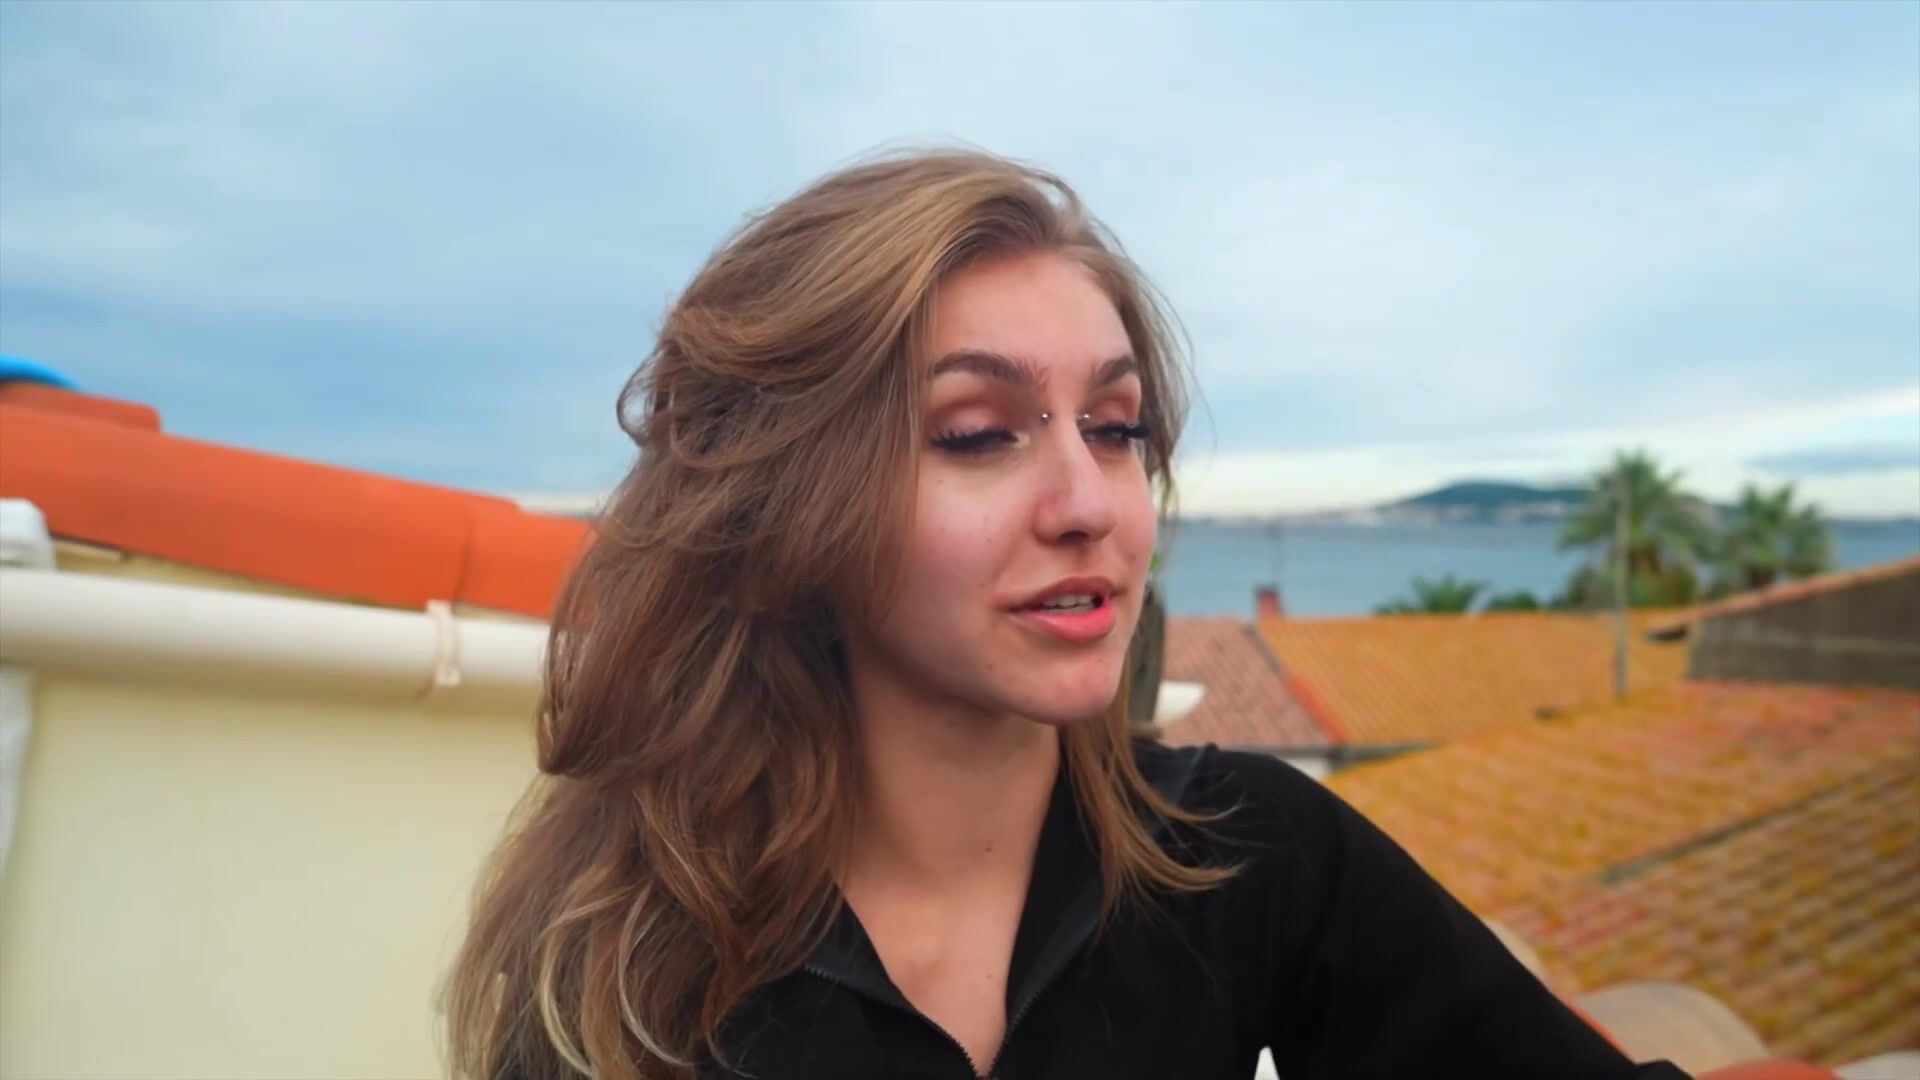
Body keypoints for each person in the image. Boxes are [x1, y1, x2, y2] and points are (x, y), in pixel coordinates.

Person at [441, 149, 1689, 1080]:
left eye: (1115, 426)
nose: (1090, 502)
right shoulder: (622, 977)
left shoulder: (1247, 856)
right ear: (786, 514)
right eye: (978, 434)